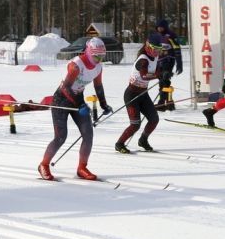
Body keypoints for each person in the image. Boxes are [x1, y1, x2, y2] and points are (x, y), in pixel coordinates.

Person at [38, 37, 113, 181]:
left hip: (77, 99)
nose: (99, 59)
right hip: (61, 100)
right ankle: (43, 165)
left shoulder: (98, 67)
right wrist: (80, 106)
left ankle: (82, 168)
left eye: (102, 56)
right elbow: (66, 88)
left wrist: (104, 104)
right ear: (89, 52)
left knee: (88, 135)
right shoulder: (76, 65)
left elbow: (98, 86)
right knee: (61, 137)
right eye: (96, 56)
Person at [115, 33, 170, 153]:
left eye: (159, 49)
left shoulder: (154, 57)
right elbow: (144, 75)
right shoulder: (143, 59)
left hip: (143, 94)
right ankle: (119, 144)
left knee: (154, 119)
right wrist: (159, 75)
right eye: (155, 49)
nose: (157, 52)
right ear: (148, 46)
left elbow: (156, 70)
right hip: (132, 94)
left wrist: (164, 75)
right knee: (135, 124)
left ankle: (143, 140)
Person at [154, 19, 183, 111]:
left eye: (161, 27)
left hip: (169, 61)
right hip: (159, 62)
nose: (159, 29)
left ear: (165, 27)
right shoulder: (156, 36)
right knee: (162, 82)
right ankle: (169, 102)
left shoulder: (171, 35)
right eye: (158, 27)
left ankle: (162, 103)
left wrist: (179, 64)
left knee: (164, 80)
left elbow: (177, 50)